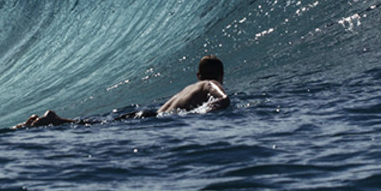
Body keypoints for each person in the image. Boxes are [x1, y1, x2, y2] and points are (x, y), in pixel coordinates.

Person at [13, 55, 229, 129]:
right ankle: (56, 121)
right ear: (220, 74)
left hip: (150, 114)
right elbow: (224, 99)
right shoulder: (209, 85)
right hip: (152, 119)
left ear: (198, 75)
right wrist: (200, 113)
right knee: (101, 127)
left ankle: (56, 120)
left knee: (101, 125)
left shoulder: (190, 87)